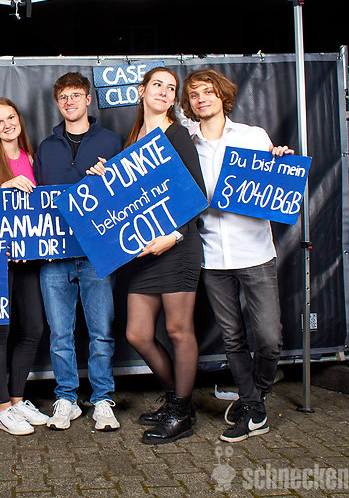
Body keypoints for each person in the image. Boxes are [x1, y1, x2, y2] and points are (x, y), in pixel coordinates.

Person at [87, 67, 206, 444]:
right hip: (144, 253)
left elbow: (197, 194)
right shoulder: (133, 138)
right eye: (157, 85)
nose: (164, 92)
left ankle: (181, 413)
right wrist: (105, 176)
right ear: (141, 90)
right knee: (137, 333)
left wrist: (173, 236)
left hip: (177, 246)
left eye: (171, 88)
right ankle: (177, 400)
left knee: (178, 330)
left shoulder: (177, 135)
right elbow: (129, 195)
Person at [180, 68, 293, 443]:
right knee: (233, 338)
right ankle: (254, 410)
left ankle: (253, 396)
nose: (202, 99)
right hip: (212, 256)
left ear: (222, 96)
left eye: (208, 92)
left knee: (270, 338)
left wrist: (280, 161)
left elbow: (274, 182)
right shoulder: (185, 144)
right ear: (189, 103)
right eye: (194, 94)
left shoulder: (252, 136)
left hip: (255, 251)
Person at [32, 72, 123, 431]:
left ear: (88, 99)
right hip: (54, 255)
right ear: (57, 103)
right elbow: (37, 201)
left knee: (101, 331)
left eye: (75, 95)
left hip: (97, 253)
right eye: (63, 97)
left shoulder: (112, 141)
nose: (69, 102)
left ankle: (102, 399)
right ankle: (66, 399)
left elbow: (125, 194)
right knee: (60, 333)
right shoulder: (45, 147)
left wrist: (109, 177)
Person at [0, 97, 49, 435]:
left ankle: (17, 400)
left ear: (19, 119)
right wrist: (4, 187)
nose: (6, 125)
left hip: (28, 255)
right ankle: (2, 408)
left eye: (11, 118)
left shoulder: (31, 158)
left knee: (33, 328)